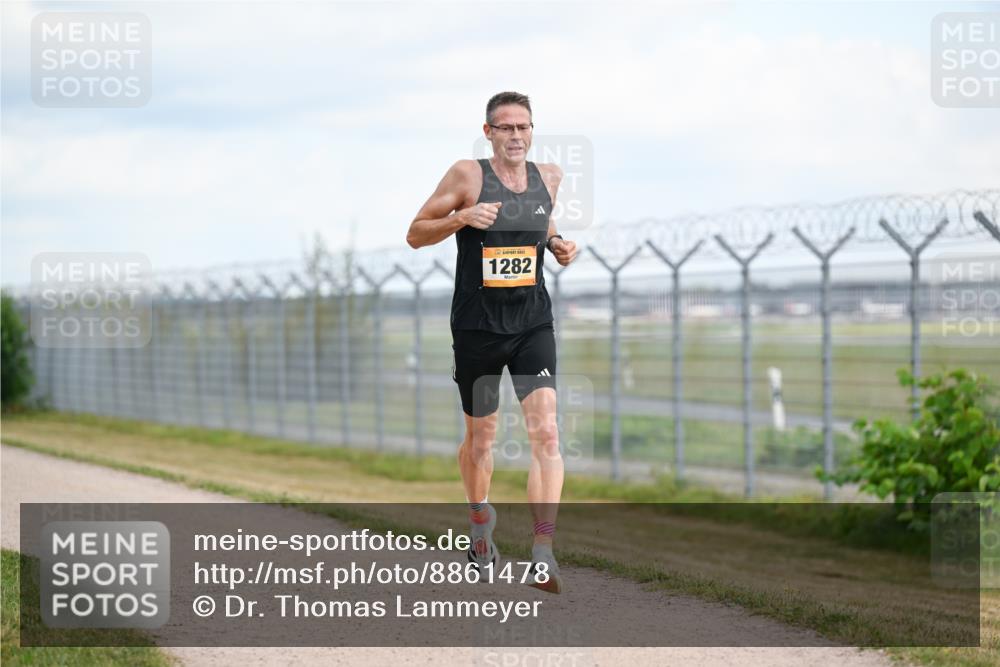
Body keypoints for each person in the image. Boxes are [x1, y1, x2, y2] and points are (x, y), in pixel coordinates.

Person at [406, 91, 578, 593]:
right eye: (505, 128)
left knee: (546, 433)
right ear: (488, 133)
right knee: (481, 440)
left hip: (532, 324)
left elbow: (537, 223)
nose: (516, 136)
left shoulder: (549, 177)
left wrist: (557, 243)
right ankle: (480, 525)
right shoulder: (466, 175)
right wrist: (461, 218)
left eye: (523, 127)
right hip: (478, 328)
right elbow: (415, 233)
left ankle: (543, 552)